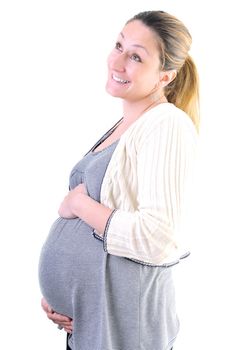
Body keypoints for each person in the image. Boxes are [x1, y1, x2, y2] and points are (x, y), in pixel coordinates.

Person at [39, 10, 199, 350]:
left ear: (166, 76)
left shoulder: (166, 124)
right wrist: (66, 298)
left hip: (126, 332)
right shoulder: (125, 125)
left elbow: (157, 236)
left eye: (137, 56)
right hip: (94, 323)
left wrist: (79, 204)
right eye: (119, 46)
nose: (119, 61)